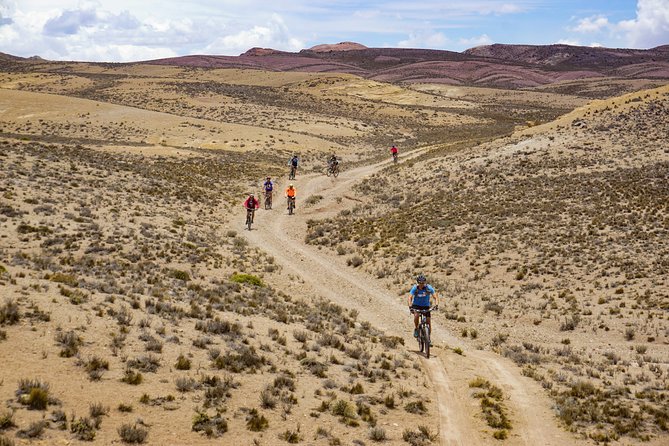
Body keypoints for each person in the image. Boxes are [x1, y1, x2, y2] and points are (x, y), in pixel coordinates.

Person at [408, 274, 439, 344]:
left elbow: (435, 296)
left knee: (428, 321)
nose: (421, 284)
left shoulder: (429, 288)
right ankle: (416, 328)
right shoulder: (415, 288)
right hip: (416, 305)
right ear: (418, 283)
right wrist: (410, 307)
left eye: (423, 283)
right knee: (416, 316)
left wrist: (436, 304)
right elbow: (410, 297)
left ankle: (428, 339)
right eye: (420, 283)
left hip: (425, 306)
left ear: (425, 282)